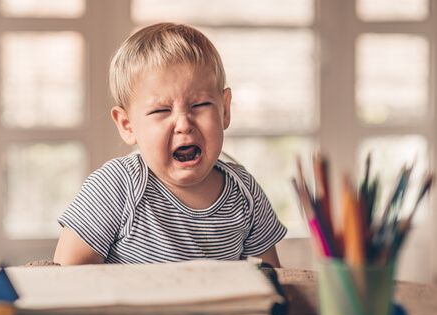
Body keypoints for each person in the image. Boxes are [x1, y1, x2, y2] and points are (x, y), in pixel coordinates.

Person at [54, 22, 287, 267]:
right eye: (161, 110)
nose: (184, 123)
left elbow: (272, 282)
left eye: (199, 105)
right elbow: (65, 276)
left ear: (225, 110)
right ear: (127, 125)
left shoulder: (245, 193)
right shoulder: (116, 187)